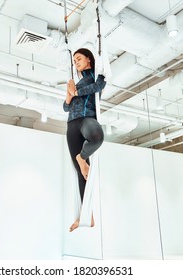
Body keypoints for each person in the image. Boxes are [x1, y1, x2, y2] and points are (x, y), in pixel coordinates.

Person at [63, 48, 106, 232]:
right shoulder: (76, 83)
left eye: (78, 58)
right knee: (82, 175)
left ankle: (82, 158)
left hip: (86, 120)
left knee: (97, 137)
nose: (76, 63)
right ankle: (86, 216)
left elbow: (98, 87)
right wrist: (68, 95)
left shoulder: (96, 77)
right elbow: (66, 107)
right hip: (71, 126)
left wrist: (75, 93)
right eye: (74, 61)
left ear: (89, 59)